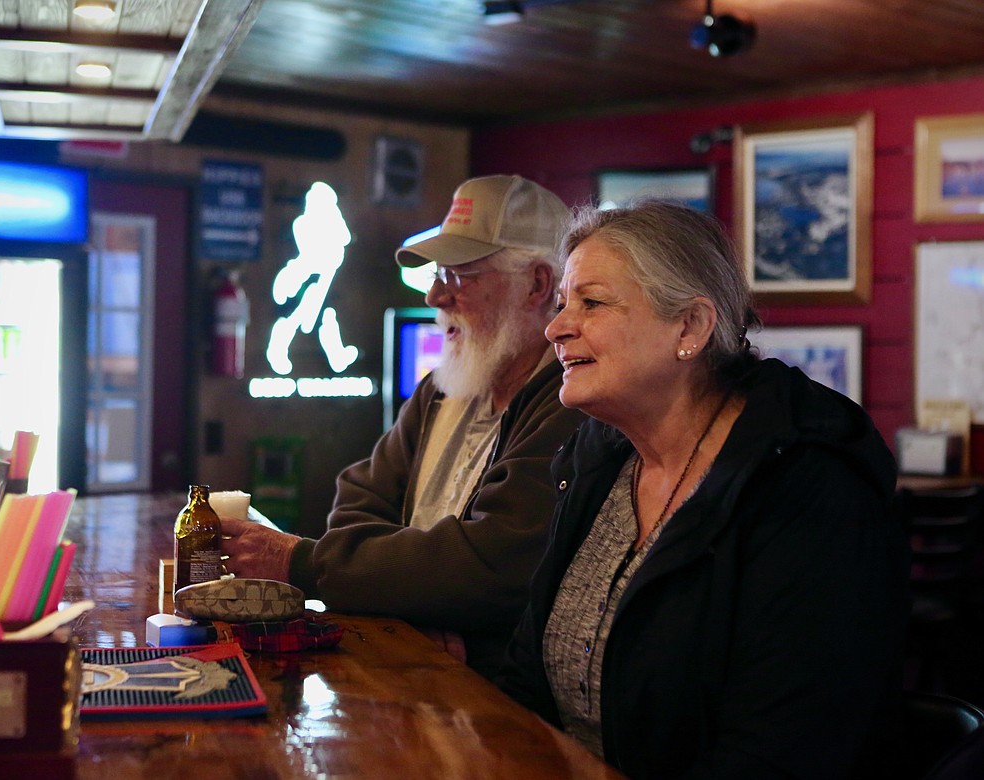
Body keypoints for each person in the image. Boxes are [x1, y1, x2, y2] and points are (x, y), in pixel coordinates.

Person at [498, 200, 909, 778]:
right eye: (564, 303)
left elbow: (785, 749)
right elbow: (527, 678)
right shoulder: (598, 461)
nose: (556, 326)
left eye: (591, 303)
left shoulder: (805, 483)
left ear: (690, 326)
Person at [219, 174, 587, 679]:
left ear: (538, 285)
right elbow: (359, 499)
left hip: (507, 703)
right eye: (438, 274)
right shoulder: (440, 388)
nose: (436, 295)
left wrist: (305, 563)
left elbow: (490, 566)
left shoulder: (572, 401)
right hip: (426, 677)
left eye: (460, 275)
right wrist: (406, 608)